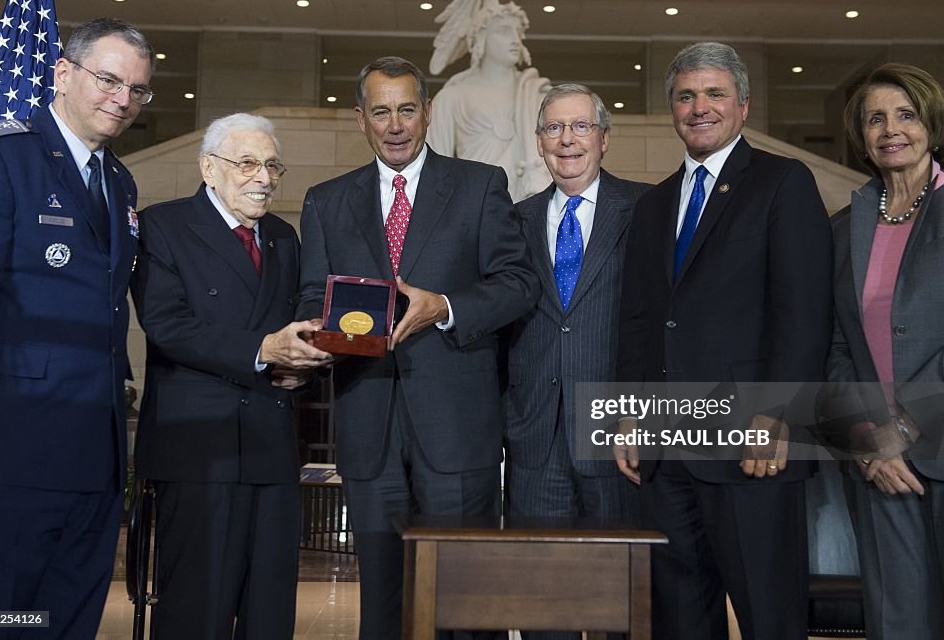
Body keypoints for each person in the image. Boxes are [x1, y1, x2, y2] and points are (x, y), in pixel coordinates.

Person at [297, 55, 538, 639]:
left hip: (457, 427)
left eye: (407, 109)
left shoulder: (480, 185)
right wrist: (318, 334)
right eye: (381, 111)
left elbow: (517, 283)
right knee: (382, 602)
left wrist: (446, 308)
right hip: (369, 424)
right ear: (361, 119)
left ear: (428, 112)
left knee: (461, 598)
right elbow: (311, 294)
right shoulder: (326, 200)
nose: (396, 124)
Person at [613, 42, 832, 640]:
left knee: (768, 614)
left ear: (743, 105)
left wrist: (777, 414)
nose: (699, 107)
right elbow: (637, 322)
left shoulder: (783, 182)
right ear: (672, 110)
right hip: (666, 448)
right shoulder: (654, 204)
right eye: (686, 96)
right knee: (679, 620)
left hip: (751, 445)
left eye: (714, 94)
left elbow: (806, 312)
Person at [0, 18, 154, 638]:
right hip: (12, 447)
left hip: (94, 453)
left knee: (69, 613)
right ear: (63, 74)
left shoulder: (119, 180)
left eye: (137, 89)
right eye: (108, 80)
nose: (122, 99)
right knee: (2, 613)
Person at [130, 113, 332, 638]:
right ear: (209, 168)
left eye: (271, 165)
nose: (262, 177)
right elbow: (166, 324)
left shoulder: (284, 237)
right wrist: (263, 349)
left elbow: (290, 328)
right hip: (199, 447)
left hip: (271, 444)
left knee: (269, 611)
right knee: (197, 609)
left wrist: (301, 367)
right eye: (247, 163)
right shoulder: (164, 224)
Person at [825, 62, 944, 640]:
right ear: (862, 136)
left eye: (905, 114)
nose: (890, 128)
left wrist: (902, 424)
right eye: (875, 118)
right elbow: (836, 346)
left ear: (932, 125)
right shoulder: (843, 228)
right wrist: (868, 437)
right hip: (876, 461)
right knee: (897, 623)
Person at [504, 83, 648, 557]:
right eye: (554, 127)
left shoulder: (648, 211)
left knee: (619, 594)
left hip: (618, 437)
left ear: (604, 138)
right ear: (540, 141)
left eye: (581, 126)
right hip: (534, 442)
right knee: (541, 595)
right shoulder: (512, 221)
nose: (567, 139)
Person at [428, 2, 552, 201]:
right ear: (481, 37)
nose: (515, 39)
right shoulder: (452, 97)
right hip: (473, 207)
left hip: (528, 203)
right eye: (504, 31)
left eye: (518, 32)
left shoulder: (537, 94)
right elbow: (434, 172)